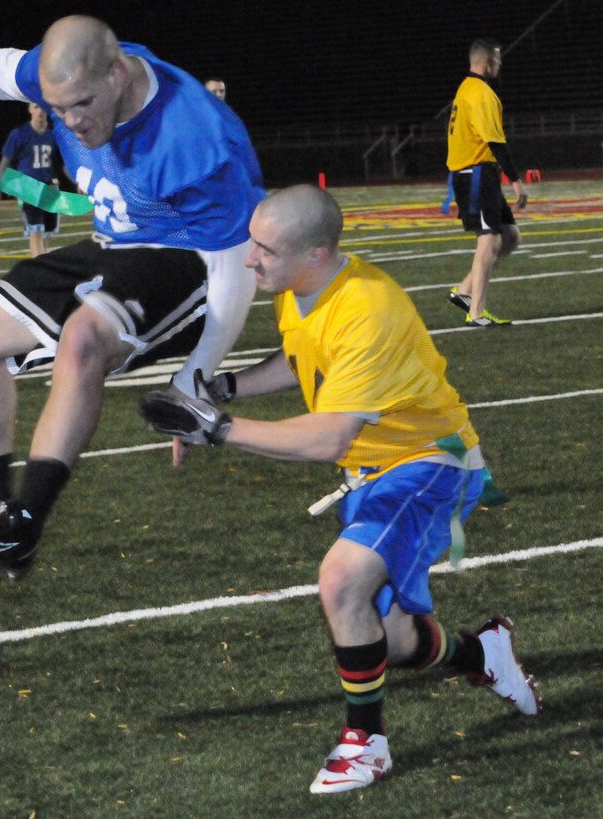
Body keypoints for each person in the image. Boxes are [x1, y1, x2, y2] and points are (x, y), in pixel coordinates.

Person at [140, 185, 539, 794]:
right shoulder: (300, 286)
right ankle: (482, 654)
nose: (250, 259)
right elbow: (301, 359)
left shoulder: (366, 309)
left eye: (266, 250)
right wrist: (221, 390)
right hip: (376, 469)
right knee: (393, 638)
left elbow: (328, 437)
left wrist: (215, 428)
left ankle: (366, 745)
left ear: (317, 254)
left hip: (432, 461)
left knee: (341, 582)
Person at [0, 15, 265, 578]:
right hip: (116, 240)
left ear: (119, 74)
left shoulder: (195, 135)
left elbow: (234, 263)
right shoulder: (65, 78)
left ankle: (22, 529)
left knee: (83, 340)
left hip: (189, 257)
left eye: (82, 105)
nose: (71, 123)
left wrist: (195, 379)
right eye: (59, 107)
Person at [446, 40, 527, 327]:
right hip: (475, 173)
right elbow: (496, 141)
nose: (500, 64)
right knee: (490, 238)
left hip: (478, 172)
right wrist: (517, 182)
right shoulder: (481, 93)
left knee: (510, 236)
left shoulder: (465, 88)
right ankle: (476, 313)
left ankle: (464, 291)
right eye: (498, 59)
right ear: (488, 61)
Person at [0, 102, 61, 257]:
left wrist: (78, 181)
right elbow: (6, 161)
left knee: (45, 232)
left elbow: (62, 163)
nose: (40, 111)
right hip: (28, 187)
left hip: (48, 187)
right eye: (36, 107)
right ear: (29, 109)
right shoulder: (19, 134)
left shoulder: (52, 135)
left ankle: (43, 264)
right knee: (36, 230)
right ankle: (39, 266)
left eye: (43, 107)